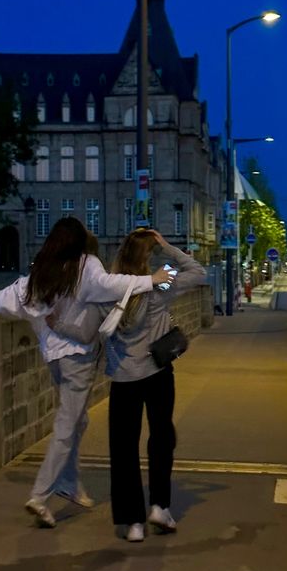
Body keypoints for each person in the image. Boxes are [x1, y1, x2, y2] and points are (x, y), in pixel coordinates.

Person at [0, 217, 174, 528]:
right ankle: (41, 495)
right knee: (67, 425)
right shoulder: (86, 267)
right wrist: (151, 280)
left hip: (52, 359)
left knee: (77, 420)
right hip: (77, 360)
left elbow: (9, 298)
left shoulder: (43, 273)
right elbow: (113, 285)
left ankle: (69, 483)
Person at [104, 229, 207, 542]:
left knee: (123, 449)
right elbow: (198, 272)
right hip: (158, 372)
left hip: (123, 376)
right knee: (161, 437)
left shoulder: (110, 286)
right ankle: (159, 506)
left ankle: (133, 522)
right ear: (149, 256)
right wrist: (168, 248)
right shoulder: (161, 282)